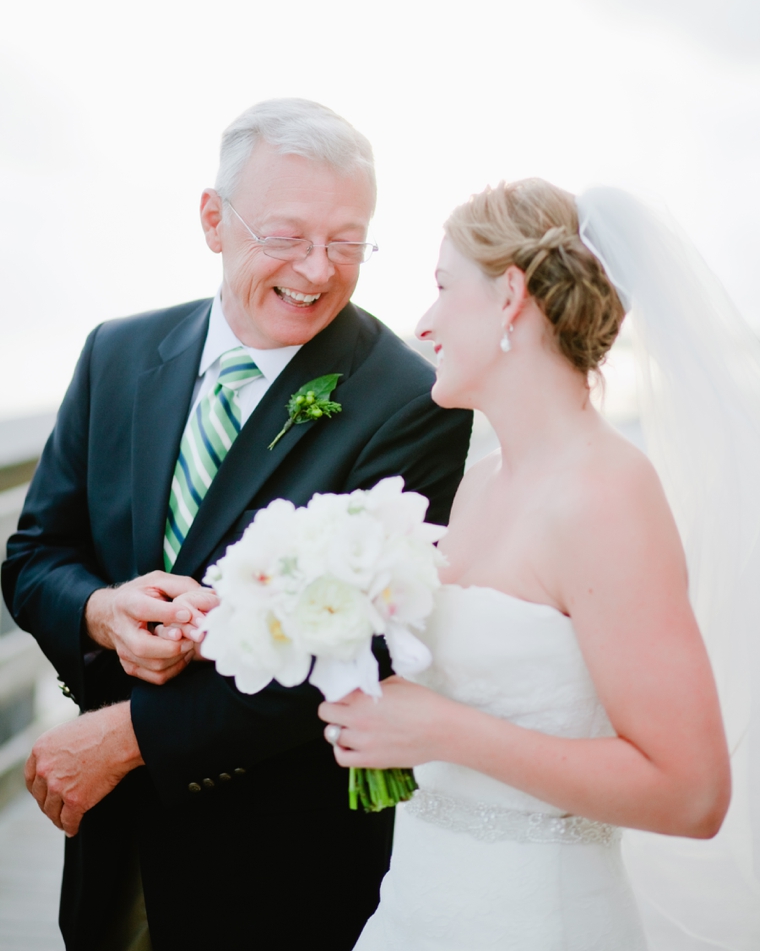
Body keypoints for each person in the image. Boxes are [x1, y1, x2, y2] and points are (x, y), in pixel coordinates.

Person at [1, 98, 473, 951]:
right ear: (214, 220)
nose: (319, 270)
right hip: (109, 846)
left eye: (348, 241)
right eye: (287, 236)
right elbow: (35, 555)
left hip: (282, 864)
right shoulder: (116, 354)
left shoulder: (411, 400)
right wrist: (100, 611)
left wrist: (127, 738)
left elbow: (364, 644)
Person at [317, 178, 740, 950]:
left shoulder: (608, 496)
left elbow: (693, 792)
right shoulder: (477, 485)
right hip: (414, 909)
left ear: (509, 295)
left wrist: (441, 729)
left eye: (444, 287)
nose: (424, 320)